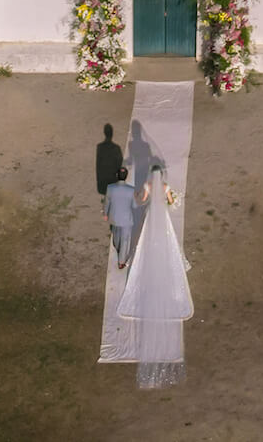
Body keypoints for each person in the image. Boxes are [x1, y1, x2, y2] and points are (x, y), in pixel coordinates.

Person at [117, 163, 193, 388]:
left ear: (152, 175)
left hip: (152, 217)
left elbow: (141, 200)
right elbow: (171, 202)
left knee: (146, 244)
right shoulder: (166, 185)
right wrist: (169, 199)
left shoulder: (149, 184)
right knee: (167, 245)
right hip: (163, 220)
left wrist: (141, 197)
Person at [104, 167, 136, 268]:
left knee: (116, 234)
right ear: (126, 177)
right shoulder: (131, 190)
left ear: (117, 176)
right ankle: (121, 261)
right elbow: (134, 205)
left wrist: (105, 214)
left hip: (114, 217)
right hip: (126, 219)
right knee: (125, 240)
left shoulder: (110, 187)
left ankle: (117, 246)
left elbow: (107, 202)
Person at [95, 122, 123, 197]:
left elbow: (98, 166)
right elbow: (119, 164)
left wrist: (98, 181)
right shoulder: (116, 148)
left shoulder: (100, 147)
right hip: (113, 181)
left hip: (102, 182)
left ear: (104, 133)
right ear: (112, 134)